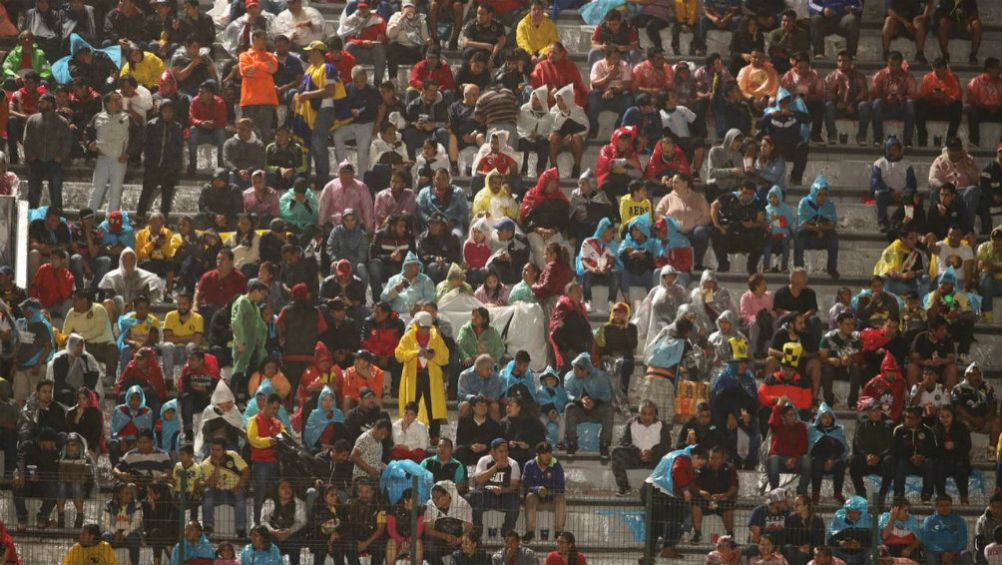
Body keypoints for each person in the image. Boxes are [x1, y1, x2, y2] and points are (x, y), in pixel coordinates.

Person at [644, 445, 709, 559]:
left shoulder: (678, 454)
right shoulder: (684, 458)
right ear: (696, 457)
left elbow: (684, 477)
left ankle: (652, 553)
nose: (698, 467)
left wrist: (699, 491)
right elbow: (677, 471)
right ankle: (664, 549)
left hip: (653, 490)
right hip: (658, 491)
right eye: (699, 463)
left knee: (660, 522)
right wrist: (685, 491)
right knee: (672, 519)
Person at [396, 311, 449, 439]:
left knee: (433, 407)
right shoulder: (408, 337)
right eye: (422, 327)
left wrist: (433, 356)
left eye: (427, 327)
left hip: (431, 377)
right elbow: (399, 354)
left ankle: (434, 435)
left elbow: (445, 358)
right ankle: (408, 432)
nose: (425, 330)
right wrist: (415, 353)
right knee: (411, 406)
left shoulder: (436, 337)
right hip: (414, 376)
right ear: (416, 325)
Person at [22, 91, 71, 209]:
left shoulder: (62, 122)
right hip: (36, 161)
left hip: (54, 161)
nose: (39, 104)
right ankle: (32, 215)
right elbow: (26, 139)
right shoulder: (33, 120)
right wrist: (30, 156)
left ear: (50, 104)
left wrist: (60, 157)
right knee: (33, 191)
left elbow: (67, 142)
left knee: (55, 191)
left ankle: (58, 216)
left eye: (42, 102)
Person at [470, 438, 521, 537]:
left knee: (515, 501)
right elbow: (479, 480)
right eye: (501, 451)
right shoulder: (484, 460)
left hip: (504, 496)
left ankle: (506, 533)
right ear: (492, 452)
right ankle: (477, 533)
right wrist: (496, 467)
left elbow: (514, 485)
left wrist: (503, 490)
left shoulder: (513, 463)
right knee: (474, 496)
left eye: (506, 451)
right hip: (486, 495)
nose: (504, 454)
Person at [795, 175, 840, 278]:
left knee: (833, 236)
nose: (822, 197)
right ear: (814, 193)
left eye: (825, 194)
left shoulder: (829, 204)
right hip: (808, 233)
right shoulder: (804, 202)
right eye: (819, 194)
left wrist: (821, 228)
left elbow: (832, 224)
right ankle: (798, 269)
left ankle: (832, 268)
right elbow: (802, 224)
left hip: (822, 235)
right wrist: (816, 228)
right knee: (799, 235)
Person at [824, 51, 871, 146]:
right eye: (839, 61)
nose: (842, 63)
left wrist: (852, 104)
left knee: (864, 105)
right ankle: (832, 135)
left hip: (854, 108)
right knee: (828, 106)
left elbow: (864, 93)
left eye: (845, 61)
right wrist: (837, 102)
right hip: (838, 107)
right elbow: (827, 93)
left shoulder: (859, 76)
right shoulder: (831, 77)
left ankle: (861, 136)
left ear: (851, 63)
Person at [239, 29, 278, 142]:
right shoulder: (244, 55)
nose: (265, 42)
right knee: (249, 134)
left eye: (266, 39)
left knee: (266, 133)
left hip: (267, 100)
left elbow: (273, 69)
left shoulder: (270, 55)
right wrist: (263, 66)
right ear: (255, 38)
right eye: (263, 39)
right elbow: (246, 72)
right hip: (250, 100)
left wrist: (255, 65)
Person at [871, 51, 916, 147]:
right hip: (885, 106)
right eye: (892, 65)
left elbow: (913, 94)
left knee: (910, 104)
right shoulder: (880, 75)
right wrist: (885, 98)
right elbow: (874, 93)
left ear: (901, 64)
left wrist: (902, 98)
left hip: (901, 107)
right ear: (888, 63)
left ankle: (908, 139)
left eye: (897, 65)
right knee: (876, 103)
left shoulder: (908, 76)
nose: (894, 68)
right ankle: (877, 138)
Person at [923, 495, 971, 565]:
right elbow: (927, 541)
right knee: (930, 555)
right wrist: (942, 553)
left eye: (947, 505)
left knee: (966, 554)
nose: (944, 508)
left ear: (951, 506)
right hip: (936, 553)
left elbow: (963, 541)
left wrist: (952, 554)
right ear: (936, 507)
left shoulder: (959, 520)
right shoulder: (929, 520)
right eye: (941, 505)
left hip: (955, 553)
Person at [827, 496, 872, 565]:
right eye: (849, 511)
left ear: (861, 513)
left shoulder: (868, 520)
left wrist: (860, 545)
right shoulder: (839, 518)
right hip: (841, 553)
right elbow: (829, 540)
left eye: (855, 512)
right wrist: (840, 543)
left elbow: (875, 542)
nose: (851, 514)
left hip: (861, 554)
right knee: (831, 549)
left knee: (871, 552)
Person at [934, 0, 982, 64]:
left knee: (977, 24)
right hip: (950, 27)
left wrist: (967, 21)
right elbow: (938, 15)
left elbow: (975, 14)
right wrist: (953, 20)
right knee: (943, 23)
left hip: (965, 26)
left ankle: (973, 55)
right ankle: (945, 55)